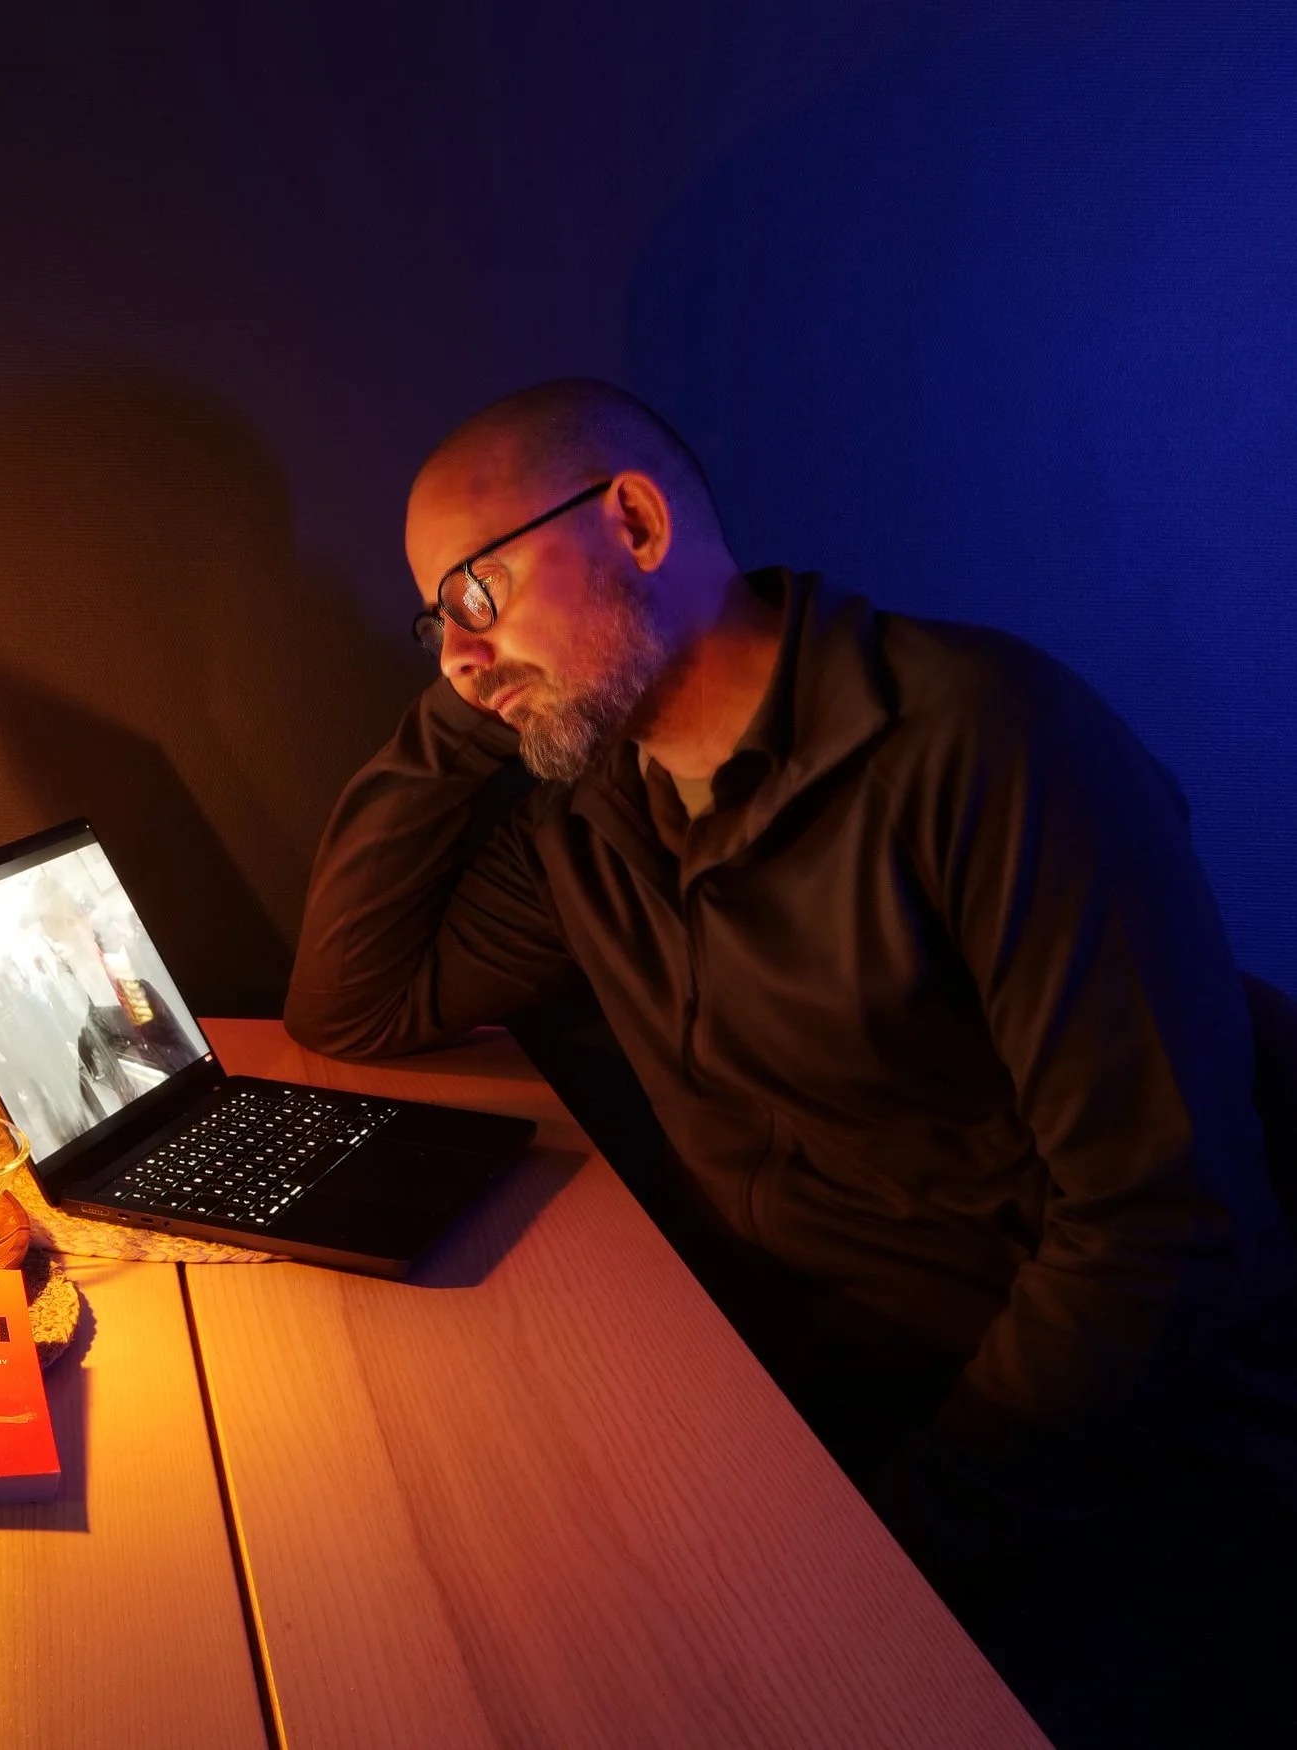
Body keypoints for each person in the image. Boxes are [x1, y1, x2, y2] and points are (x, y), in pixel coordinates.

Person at [285, 379, 1296, 1743]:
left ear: (633, 520)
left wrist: (892, 1540)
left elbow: (1161, 1238)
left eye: (476, 590)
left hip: (1102, 1447)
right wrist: (486, 684)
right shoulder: (594, 816)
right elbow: (355, 997)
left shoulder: (990, 745)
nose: (455, 654)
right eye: (435, 620)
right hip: (822, 1374)